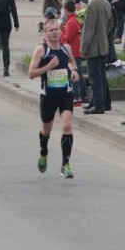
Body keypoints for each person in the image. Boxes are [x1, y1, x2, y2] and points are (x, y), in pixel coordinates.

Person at [27, 17, 79, 179]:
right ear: (46, 33)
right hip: (48, 96)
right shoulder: (41, 50)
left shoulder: (66, 48)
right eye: (51, 30)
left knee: (66, 126)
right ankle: (43, 152)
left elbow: (71, 61)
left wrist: (74, 71)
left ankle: (66, 165)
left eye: (57, 29)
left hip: (65, 94)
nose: (55, 32)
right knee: (46, 130)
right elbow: (31, 74)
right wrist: (48, 67)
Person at [80, 0, 112, 114]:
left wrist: (83, 47)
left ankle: (98, 106)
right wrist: (103, 34)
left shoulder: (92, 4)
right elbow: (111, 23)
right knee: (101, 76)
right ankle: (99, 102)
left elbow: (88, 28)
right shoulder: (106, 2)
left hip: (94, 45)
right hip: (103, 44)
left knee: (94, 77)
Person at [60, 0, 84, 106]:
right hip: (74, 51)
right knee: (74, 74)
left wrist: (61, 34)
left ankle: (76, 96)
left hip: (73, 52)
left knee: (73, 74)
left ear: (65, 10)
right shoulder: (74, 20)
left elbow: (68, 38)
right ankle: (76, 95)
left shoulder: (71, 22)